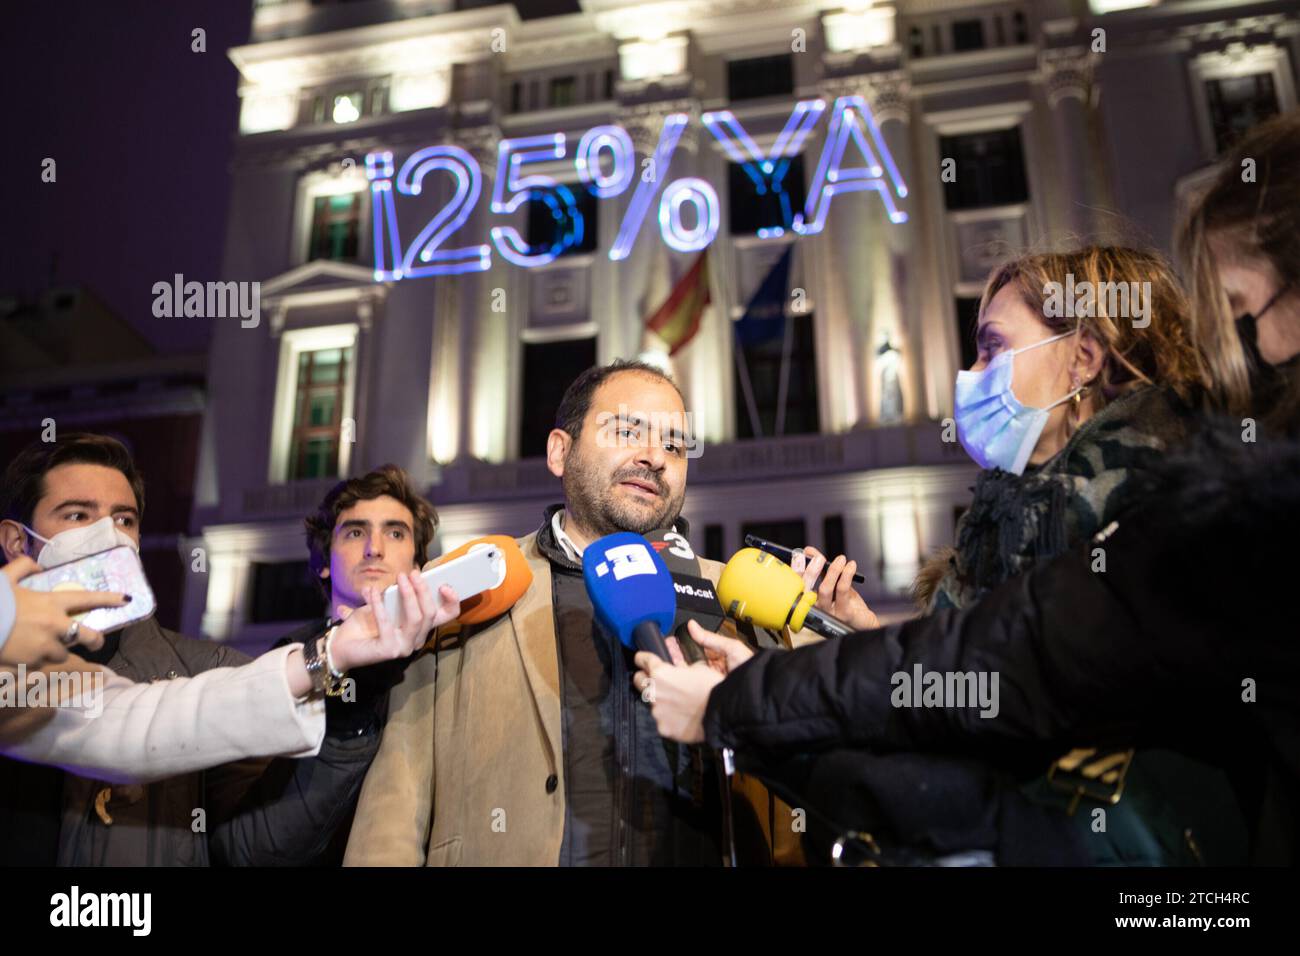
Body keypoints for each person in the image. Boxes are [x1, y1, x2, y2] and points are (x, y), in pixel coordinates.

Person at [634, 110, 1300, 864]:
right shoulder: (1013, 524)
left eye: (991, 348)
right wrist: (840, 642)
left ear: (1081, 357)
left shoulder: (1173, 514)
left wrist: (742, 705)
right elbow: (947, 693)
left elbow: (984, 689)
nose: (969, 380)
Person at [345, 360, 789, 866]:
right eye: (626, 430)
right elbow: (396, 799)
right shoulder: (470, 581)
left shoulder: (737, 598)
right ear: (560, 451)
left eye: (674, 445)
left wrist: (846, 628)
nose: (655, 458)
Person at [0, 434, 454, 865]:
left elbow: (147, 720)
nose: (108, 537)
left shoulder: (206, 669)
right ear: (17, 541)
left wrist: (332, 664)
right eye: (78, 516)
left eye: (124, 520)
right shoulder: (16, 668)